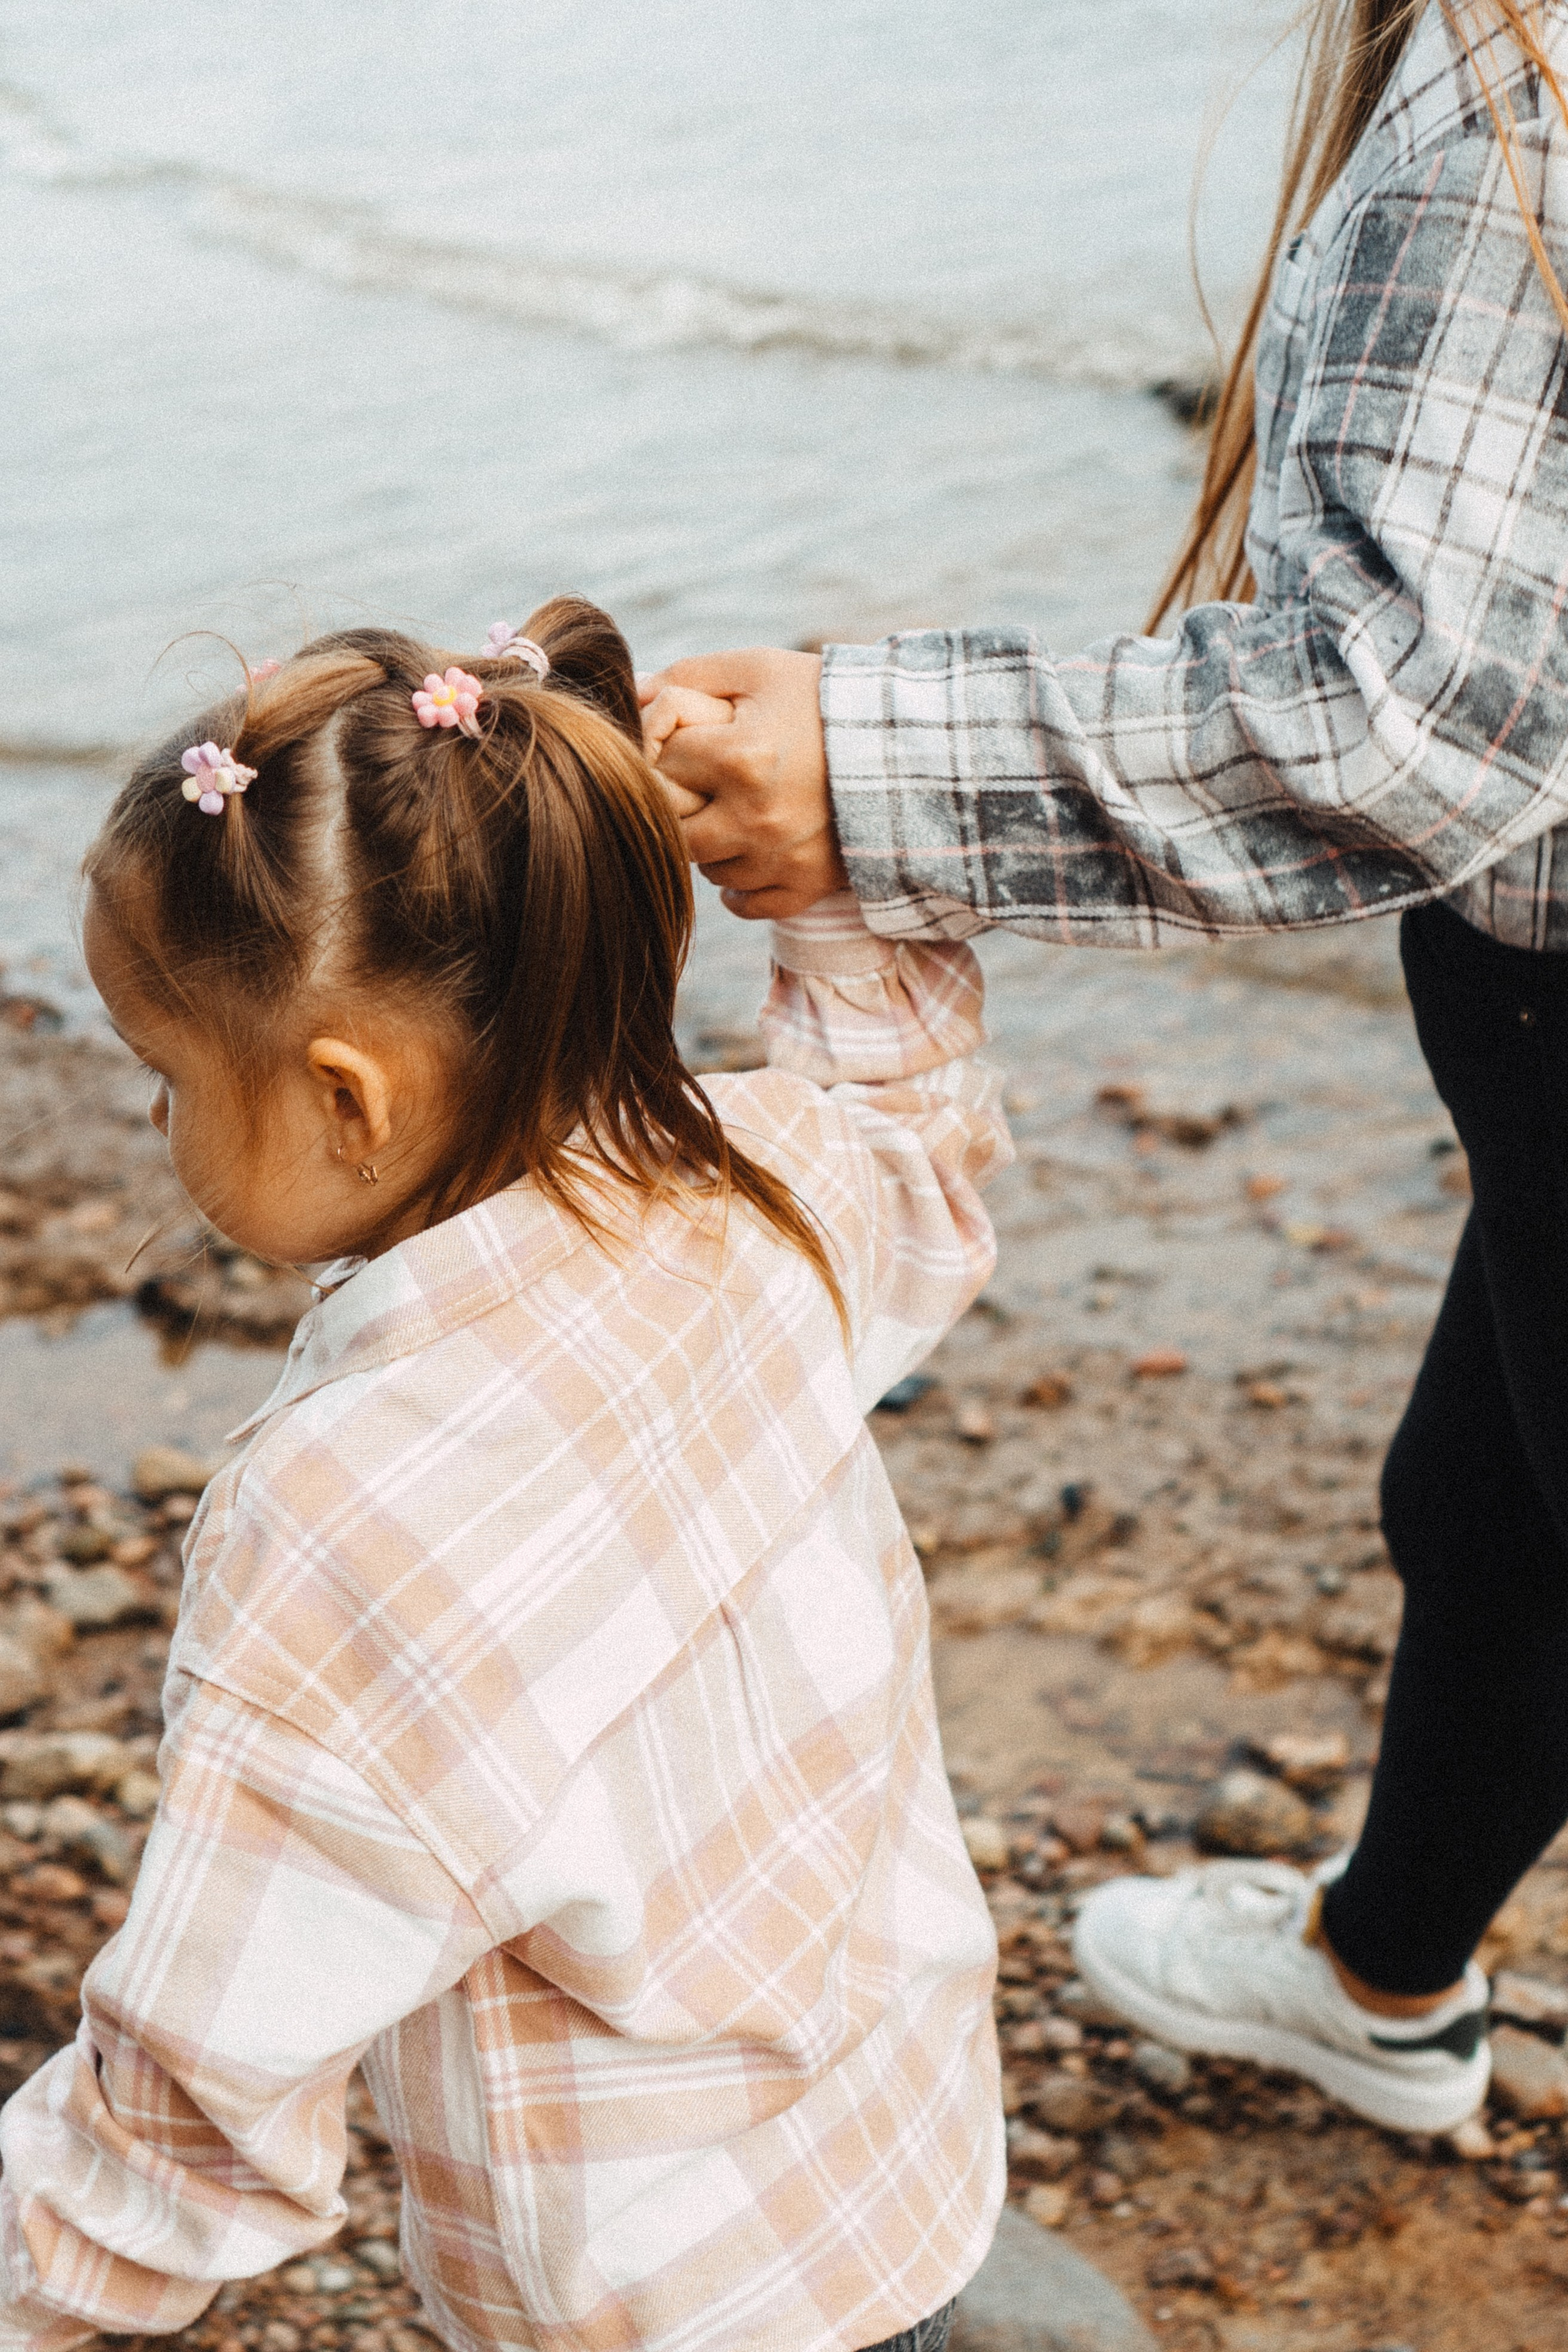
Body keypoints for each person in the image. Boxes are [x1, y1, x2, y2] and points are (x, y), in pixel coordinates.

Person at [638, 0, 1568, 2136]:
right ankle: (1385, 1974)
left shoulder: (1520, 91)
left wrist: (869, 770)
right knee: (1489, 1501)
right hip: (1536, 1028)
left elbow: (1402, 717)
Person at [0, 600, 1012, 2352]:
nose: (157, 1124)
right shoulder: (767, 1188)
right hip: (897, 2174)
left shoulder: (346, 1515)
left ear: (352, 1098)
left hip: (643, 2302)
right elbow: (916, 1141)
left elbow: (199, 2088)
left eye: (166, 1074)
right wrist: (837, 884)